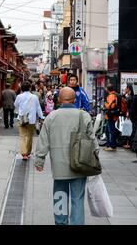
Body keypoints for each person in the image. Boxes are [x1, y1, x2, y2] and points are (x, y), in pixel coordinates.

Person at [35, 87, 96, 225]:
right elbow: (93, 140)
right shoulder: (84, 116)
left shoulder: (51, 117)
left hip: (59, 165)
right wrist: (95, 159)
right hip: (80, 163)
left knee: (60, 195)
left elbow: (43, 140)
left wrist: (39, 160)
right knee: (78, 198)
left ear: (59, 100)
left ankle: (61, 222)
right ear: (74, 100)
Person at [14, 81, 44, 161]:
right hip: (31, 120)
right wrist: (41, 117)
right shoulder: (34, 97)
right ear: (30, 88)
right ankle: (28, 153)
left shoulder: (19, 96)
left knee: (22, 136)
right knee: (30, 136)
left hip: (22, 119)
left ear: (22, 88)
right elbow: (38, 108)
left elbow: (15, 105)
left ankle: (23, 153)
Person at [104, 84, 121, 152]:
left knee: (111, 131)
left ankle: (112, 146)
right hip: (111, 115)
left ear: (107, 89)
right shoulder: (114, 95)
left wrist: (105, 104)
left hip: (111, 115)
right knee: (107, 130)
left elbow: (109, 106)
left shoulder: (111, 96)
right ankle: (109, 145)